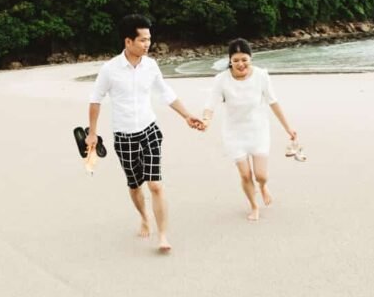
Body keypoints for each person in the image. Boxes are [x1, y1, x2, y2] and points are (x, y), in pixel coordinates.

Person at [87, 14, 205, 253]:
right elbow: (95, 100)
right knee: (134, 184)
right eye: (142, 40)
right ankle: (143, 216)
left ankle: (162, 236)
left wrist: (187, 115)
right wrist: (92, 133)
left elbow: (166, 93)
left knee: (155, 185)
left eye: (149, 39)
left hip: (150, 130)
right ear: (128, 41)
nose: (147, 44)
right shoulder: (109, 70)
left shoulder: (151, 66)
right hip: (124, 136)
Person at [201, 39, 297, 222]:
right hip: (234, 133)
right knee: (245, 174)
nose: (240, 64)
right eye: (236, 60)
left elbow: (273, 102)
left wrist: (288, 128)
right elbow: (210, 105)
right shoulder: (221, 80)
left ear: (250, 58)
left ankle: (262, 186)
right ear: (230, 60)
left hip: (258, 130)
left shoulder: (261, 76)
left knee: (261, 175)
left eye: (244, 59)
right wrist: (206, 120)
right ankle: (254, 205)